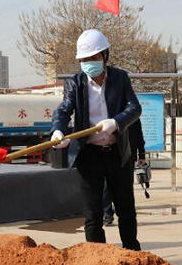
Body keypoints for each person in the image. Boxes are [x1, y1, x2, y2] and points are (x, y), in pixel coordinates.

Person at [51, 29, 142, 250]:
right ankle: (98, 257)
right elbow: (63, 110)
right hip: (89, 155)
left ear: (104, 56)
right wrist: (58, 131)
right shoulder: (75, 83)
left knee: (126, 210)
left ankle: (132, 253)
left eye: (93, 57)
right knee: (93, 215)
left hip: (117, 154)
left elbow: (135, 108)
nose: (89, 63)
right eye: (84, 60)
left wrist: (116, 122)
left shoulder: (120, 78)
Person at [103, 119, 147, 225]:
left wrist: (141, 154)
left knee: (126, 187)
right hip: (112, 154)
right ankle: (107, 214)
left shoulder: (133, 116)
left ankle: (123, 214)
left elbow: (139, 136)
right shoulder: (112, 116)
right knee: (107, 185)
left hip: (128, 156)